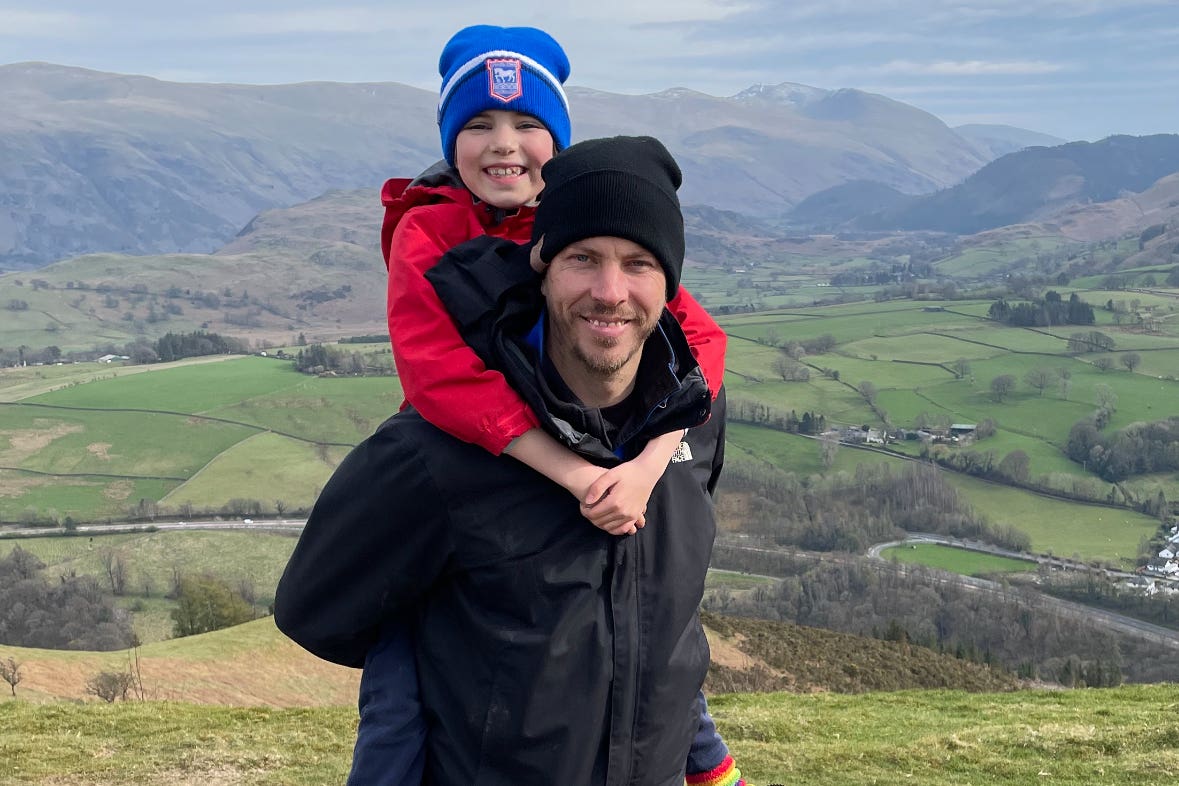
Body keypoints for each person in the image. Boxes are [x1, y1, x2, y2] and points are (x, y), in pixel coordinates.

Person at [276, 135, 742, 785]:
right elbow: (315, 611)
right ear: (541, 270)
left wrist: (706, 761)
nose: (610, 291)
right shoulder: (434, 454)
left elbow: (662, 619)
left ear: (670, 282)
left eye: (638, 262)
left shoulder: (697, 421)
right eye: (582, 258)